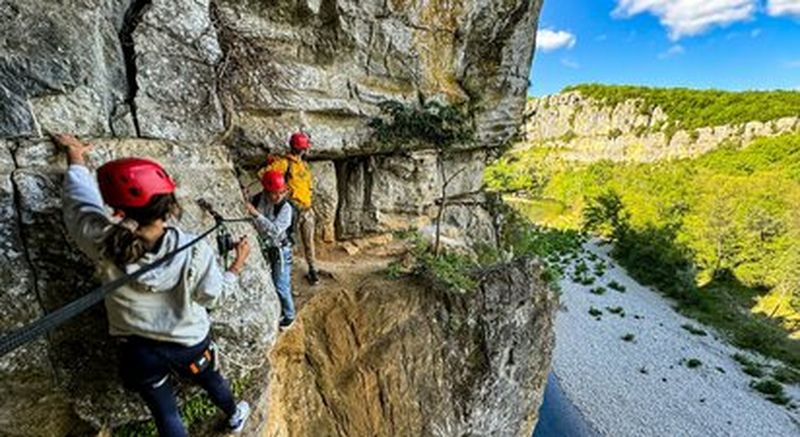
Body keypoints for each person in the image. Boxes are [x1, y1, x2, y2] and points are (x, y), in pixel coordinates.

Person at [54, 133, 252, 437]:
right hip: (189, 344)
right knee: (211, 379)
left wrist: (75, 156)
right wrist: (237, 265)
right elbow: (212, 296)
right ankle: (235, 416)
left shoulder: (105, 244)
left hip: (140, 352)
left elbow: (80, 204)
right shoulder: (194, 250)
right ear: (169, 203)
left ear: (117, 211)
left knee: (166, 413)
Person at [261, 131, 319, 285]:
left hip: (306, 209)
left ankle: (312, 270)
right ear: (303, 148)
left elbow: (307, 187)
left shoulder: (303, 165)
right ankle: (287, 276)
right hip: (292, 210)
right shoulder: (284, 163)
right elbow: (264, 175)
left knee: (308, 242)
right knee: (289, 242)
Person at [246, 170, 295, 331]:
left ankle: (289, 316)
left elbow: (275, 230)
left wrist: (256, 214)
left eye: (281, 192)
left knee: (281, 285)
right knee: (274, 282)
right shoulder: (260, 199)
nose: (277, 196)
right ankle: (282, 311)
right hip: (267, 247)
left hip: (281, 249)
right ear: (266, 191)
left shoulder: (286, 208)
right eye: (274, 193)